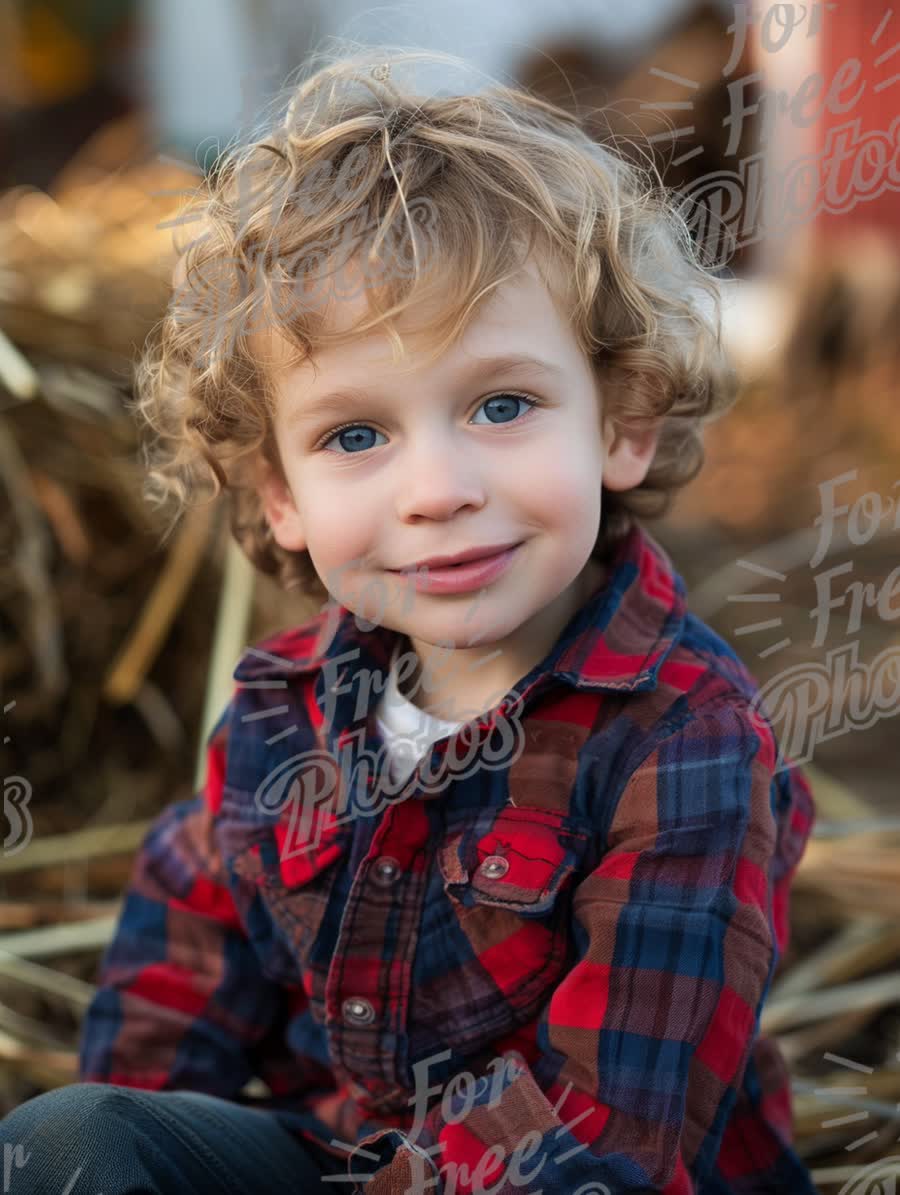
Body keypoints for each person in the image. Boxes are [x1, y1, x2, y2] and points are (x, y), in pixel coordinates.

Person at [0, 44, 820, 1195]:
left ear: (621, 422)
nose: (434, 488)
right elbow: (170, 996)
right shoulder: (284, 717)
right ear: (281, 495)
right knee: (73, 1138)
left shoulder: (687, 741)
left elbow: (607, 1130)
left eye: (500, 404)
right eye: (355, 435)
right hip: (347, 1161)